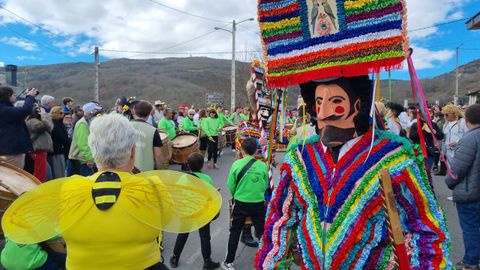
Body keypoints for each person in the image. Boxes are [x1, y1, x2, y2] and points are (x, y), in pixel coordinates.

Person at [255, 76, 451, 269]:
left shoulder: (392, 155)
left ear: (357, 105)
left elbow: (426, 229)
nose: (325, 112)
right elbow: (280, 219)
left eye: (336, 101)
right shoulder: (300, 156)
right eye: (319, 102)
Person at [2, 113, 221, 270]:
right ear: (132, 152)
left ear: (94, 153)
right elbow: (203, 211)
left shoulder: (68, 188)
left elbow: (23, 232)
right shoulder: (154, 187)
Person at [222, 138, 269, 270]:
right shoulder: (262, 165)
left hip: (241, 203)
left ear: (242, 150)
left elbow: (230, 185)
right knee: (261, 231)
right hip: (258, 203)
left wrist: (238, 194)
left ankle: (228, 262)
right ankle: (266, 259)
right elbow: (265, 185)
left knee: (235, 231)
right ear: (256, 150)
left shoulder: (236, 164)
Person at [170, 153, 221, 270]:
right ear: (202, 165)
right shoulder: (207, 179)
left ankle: (175, 257)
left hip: (187, 211)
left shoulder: (182, 178)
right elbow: (209, 197)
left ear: (188, 165)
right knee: (205, 237)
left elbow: (178, 195)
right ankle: (207, 262)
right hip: (201, 212)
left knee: (182, 234)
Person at [445, 104, 480, 270]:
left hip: (470, 192)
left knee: (471, 228)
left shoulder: (469, 138)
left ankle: (472, 261)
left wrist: (449, 182)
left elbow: (457, 169)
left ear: (466, 119)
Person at [0, 86, 37, 169]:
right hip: (11, 152)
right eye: (13, 94)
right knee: (13, 178)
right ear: (7, 96)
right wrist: (30, 97)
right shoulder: (4, 110)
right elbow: (26, 110)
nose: (15, 96)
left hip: (6, 150)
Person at [68, 102, 102, 176]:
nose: (97, 113)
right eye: (95, 111)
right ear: (90, 112)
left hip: (83, 160)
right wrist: (90, 159)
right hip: (80, 161)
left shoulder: (88, 122)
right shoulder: (82, 124)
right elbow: (83, 144)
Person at [131, 100, 164, 172]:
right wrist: (160, 171)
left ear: (134, 111)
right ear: (149, 113)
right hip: (146, 172)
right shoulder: (153, 130)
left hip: (127, 172)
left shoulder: (125, 127)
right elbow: (158, 155)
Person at [26, 105, 53, 182]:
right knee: (39, 175)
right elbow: (44, 126)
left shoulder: (40, 121)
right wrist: (44, 116)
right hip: (37, 151)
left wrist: (45, 117)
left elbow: (50, 127)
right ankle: (37, 191)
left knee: (43, 173)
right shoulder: (32, 121)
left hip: (42, 151)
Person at [441, 104, 467, 172]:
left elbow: (468, 136)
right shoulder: (445, 125)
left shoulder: (463, 122)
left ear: (454, 113)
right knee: (451, 173)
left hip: (459, 153)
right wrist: (443, 153)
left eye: (446, 114)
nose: (444, 116)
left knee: (459, 173)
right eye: (444, 115)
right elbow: (444, 140)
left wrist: (457, 142)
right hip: (448, 153)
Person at [48, 106, 71, 179]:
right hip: (57, 151)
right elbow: (62, 137)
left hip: (58, 150)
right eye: (61, 113)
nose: (63, 114)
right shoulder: (56, 124)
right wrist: (70, 142)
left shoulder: (58, 123)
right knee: (58, 173)